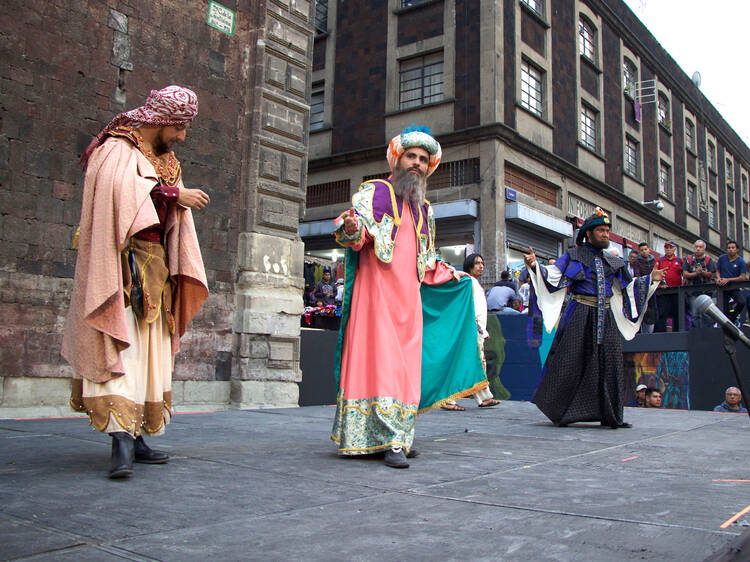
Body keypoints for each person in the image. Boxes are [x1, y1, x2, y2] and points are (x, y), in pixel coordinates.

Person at [62, 85, 209, 479]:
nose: (182, 137)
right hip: (122, 268)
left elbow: (164, 207)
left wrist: (173, 197)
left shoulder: (166, 159)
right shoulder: (117, 147)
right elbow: (119, 192)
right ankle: (120, 442)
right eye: (179, 128)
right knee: (124, 350)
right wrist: (175, 194)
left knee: (152, 353)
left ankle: (140, 431)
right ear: (161, 121)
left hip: (158, 267)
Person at [330, 126, 487, 468]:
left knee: (405, 373)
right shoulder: (375, 192)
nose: (417, 163)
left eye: (423, 159)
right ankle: (389, 442)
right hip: (377, 300)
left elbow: (426, 261)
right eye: (411, 156)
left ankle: (398, 435)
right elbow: (355, 238)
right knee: (382, 367)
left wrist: (454, 275)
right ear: (398, 159)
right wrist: (352, 228)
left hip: (409, 305)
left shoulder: (424, 210)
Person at [524, 208, 665, 429]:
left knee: (611, 364)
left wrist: (650, 280)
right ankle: (561, 412)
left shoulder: (613, 261)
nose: (606, 235)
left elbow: (629, 289)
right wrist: (535, 266)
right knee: (571, 362)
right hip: (579, 314)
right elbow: (554, 276)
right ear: (588, 234)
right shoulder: (573, 256)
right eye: (601, 230)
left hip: (606, 318)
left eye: (608, 231)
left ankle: (611, 416)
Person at [441, 254, 500, 411]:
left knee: (475, 363)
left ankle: (484, 397)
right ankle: (449, 399)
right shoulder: (468, 282)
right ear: (469, 266)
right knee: (472, 362)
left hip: (475, 329)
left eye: (482, 263)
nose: (481, 266)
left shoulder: (473, 283)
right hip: (471, 329)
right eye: (477, 263)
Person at [682, 239, 716, 328]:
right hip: (692, 292)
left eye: (700, 247)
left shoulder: (708, 259)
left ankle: (707, 332)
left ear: (704, 249)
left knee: (706, 314)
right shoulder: (689, 259)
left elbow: (711, 274)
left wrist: (702, 273)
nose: (698, 249)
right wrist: (696, 273)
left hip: (706, 292)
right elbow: (685, 273)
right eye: (696, 247)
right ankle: (697, 332)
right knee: (694, 315)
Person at [716, 240, 747, 325]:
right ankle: (726, 325)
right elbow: (718, 271)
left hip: (734, 287)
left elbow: (743, 277)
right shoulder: (722, 258)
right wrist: (718, 278)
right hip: (723, 287)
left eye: (733, 248)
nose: (730, 249)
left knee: (741, 302)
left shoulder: (741, 261)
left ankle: (732, 318)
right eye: (729, 248)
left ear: (737, 250)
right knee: (723, 308)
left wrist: (729, 279)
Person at [654, 241, 683, 332]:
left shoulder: (679, 260)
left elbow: (685, 274)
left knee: (677, 313)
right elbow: (655, 273)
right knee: (662, 313)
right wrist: (661, 283)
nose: (668, 249)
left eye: (670, 247)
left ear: (674, 249)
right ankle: (660, 335)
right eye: (667, 248)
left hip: (676, 292)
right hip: (663, 291)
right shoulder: (660, 260)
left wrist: (683, 285)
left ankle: (678, 334)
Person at [633, 242, 657, 333]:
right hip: (643, 289)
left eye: (645, 249)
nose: (644, 252)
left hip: (654, 289)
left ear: (649, 250)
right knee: (643, 311)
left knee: (653, 310)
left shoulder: (654, 261)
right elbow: (637, 275)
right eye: (641, 250)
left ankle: (651, 332)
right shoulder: (637, 262)